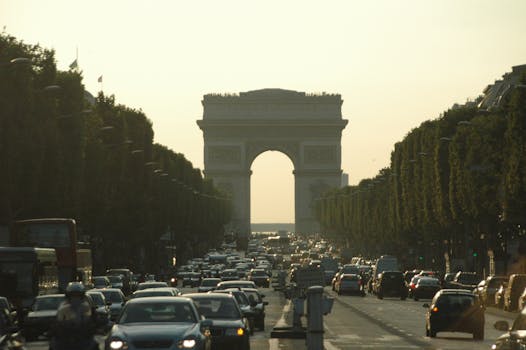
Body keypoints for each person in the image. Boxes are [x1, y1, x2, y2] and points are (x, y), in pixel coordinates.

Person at [51, 282, 98, 350]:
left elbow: (93, 319)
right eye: (72, 296)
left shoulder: (86, 307)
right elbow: (57, 321)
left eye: (78, 296)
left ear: (82, 296)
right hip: (65, 338)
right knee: (53, 345)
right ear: (68, 296)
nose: (75, 298)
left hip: (83, 337)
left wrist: (94, 325)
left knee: (94, 345)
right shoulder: (63, 308)